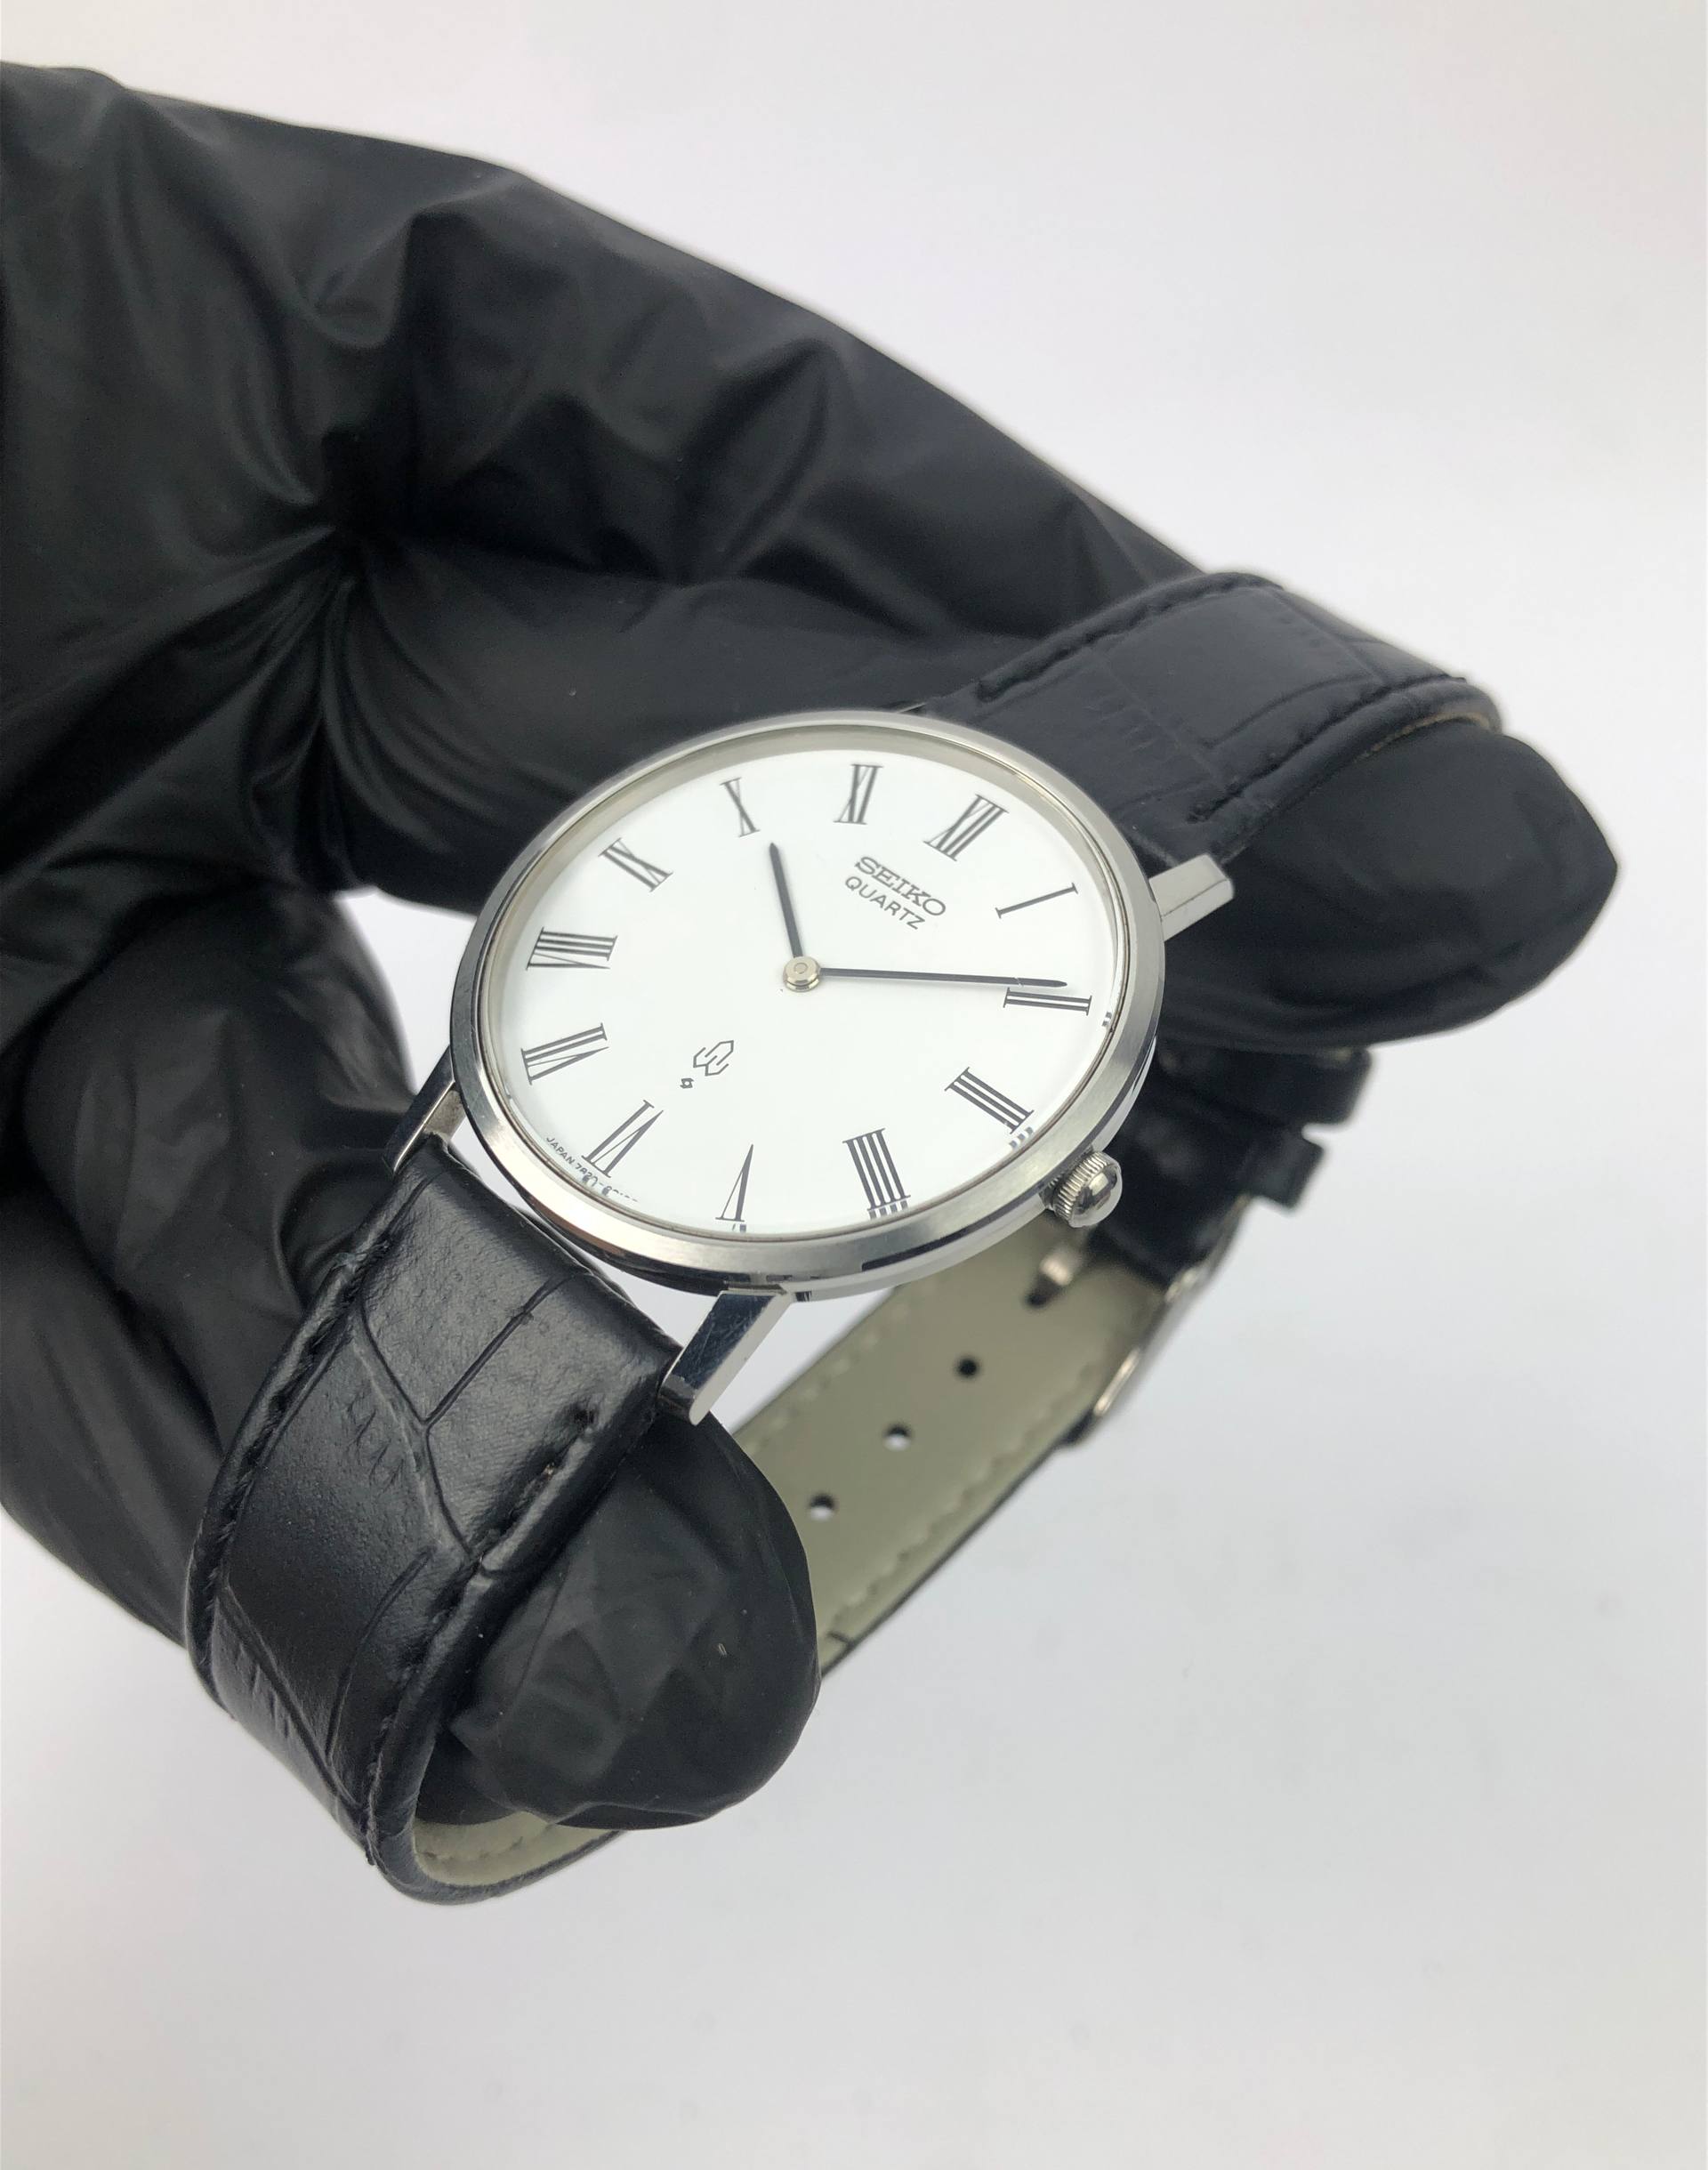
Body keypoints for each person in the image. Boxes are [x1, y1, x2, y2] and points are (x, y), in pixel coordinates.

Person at [0, 66, 1615, 1838]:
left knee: (1283, 840)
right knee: (490, 1574)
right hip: (358, 859)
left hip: (256, 569)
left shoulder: (112, 270)